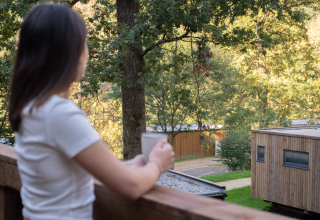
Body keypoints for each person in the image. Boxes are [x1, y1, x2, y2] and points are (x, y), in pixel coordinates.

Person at [8, 3, 174, 220]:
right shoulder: (59, 113)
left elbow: (66, 173)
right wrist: (157, 164)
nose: (88, 52)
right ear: (69, 52)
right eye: (84, 43)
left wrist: (129, 166)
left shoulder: (32, 107)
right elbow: (131, 187)